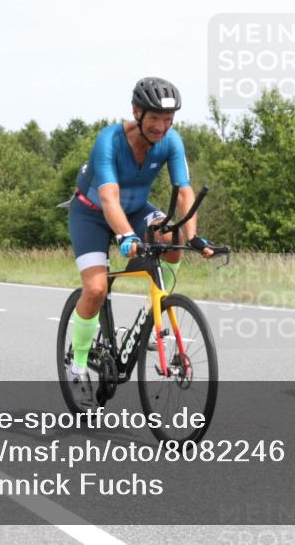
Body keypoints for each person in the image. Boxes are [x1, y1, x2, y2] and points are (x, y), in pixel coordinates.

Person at [66, 77, 215, 385]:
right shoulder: (109, 139)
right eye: (155, 118)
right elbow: (108, 196)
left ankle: (157, 305)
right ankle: (79, 360)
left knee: (172, 237)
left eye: (168, 119)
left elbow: (184, 191)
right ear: (136, 111)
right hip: (91, 214)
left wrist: (193, 236)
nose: (161, 127)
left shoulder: (171, 142)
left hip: (135, 210)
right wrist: (125, 236)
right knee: (95, 290)